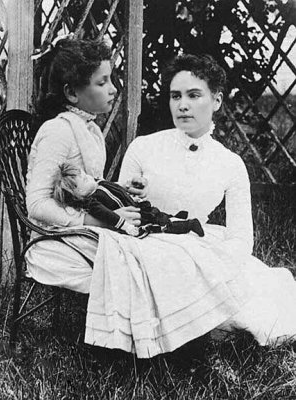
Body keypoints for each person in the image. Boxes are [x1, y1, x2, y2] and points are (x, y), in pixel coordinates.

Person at [115, 53, 296, 354]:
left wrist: (216, 270)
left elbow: (240, 237)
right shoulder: (144, 148)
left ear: (216, 101)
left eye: (194, 95)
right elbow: (120, 210)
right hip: (146, 248)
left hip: (201, 249)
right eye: (175, 96)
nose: (182, 104)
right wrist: (129, 195)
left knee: (262, 312)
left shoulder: (230, 163)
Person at [26, 36, 145, 292]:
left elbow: (84, 186)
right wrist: (102, 221)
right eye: (102, 82)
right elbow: (36, 205)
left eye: (110, 79)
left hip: (82, 231)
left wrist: (120, 190)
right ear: (71, 93)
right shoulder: (58, 131)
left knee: (156, 244)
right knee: (145, 259)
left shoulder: (87, 129)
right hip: (54, 241)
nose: (113, 89)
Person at [52, 162, 205, 237]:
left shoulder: (98, 183)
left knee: (157, 213)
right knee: (160, 224)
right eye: (84, 181)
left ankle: (175, 216)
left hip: (137, 205)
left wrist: (126, 186)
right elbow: (109, 215)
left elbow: (115, 187)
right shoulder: (92, 202)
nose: (89, 178)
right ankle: (188, 225)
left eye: (85, 175)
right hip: (136, 216)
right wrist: (126, 227)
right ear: (78, 195)